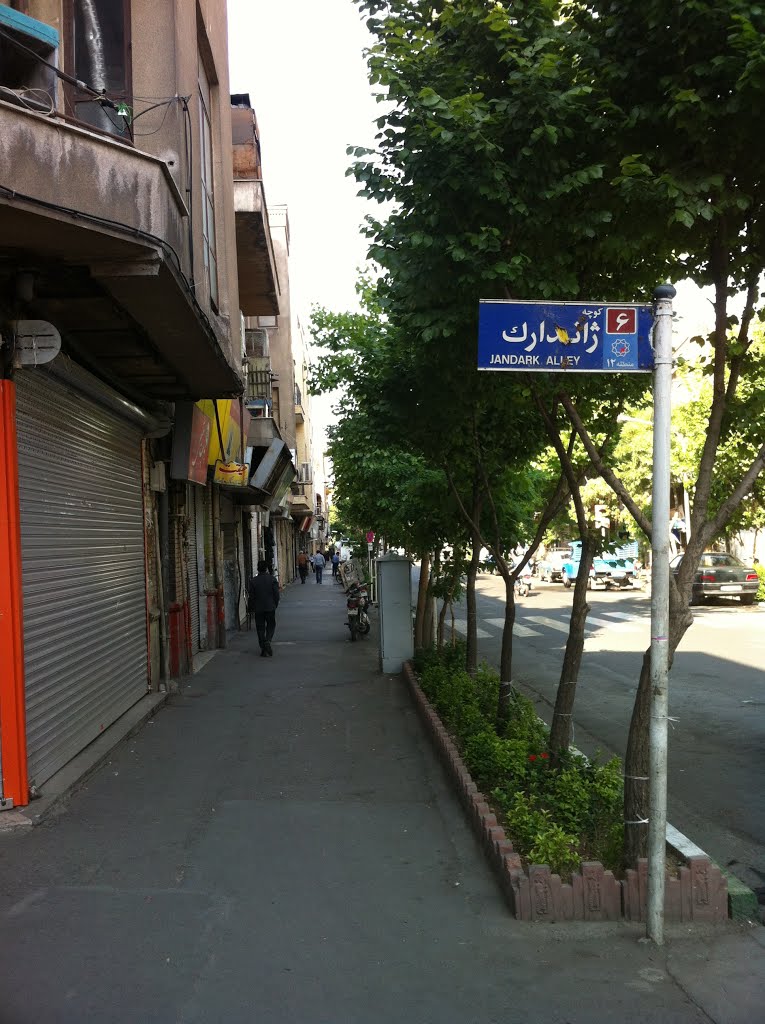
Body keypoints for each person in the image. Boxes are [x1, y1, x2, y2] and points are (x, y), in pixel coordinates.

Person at [248, 560, 280, 657]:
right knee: (271, 625)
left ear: (258, 568)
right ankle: (268, 641)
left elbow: (251, 597)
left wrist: (250, 608)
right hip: (270, 607)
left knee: (260, 628)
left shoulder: (253, 581)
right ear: (266, 568)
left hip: (258, 608)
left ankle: (263, 647)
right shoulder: (273, 579)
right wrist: (275, 604)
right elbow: (276, 595)